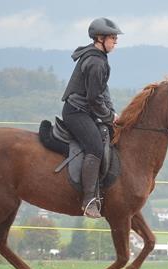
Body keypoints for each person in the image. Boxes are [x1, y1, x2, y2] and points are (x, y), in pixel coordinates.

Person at [61, 17, 122, 218]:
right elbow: (94, 98)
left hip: (87, 111)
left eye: (115, 38)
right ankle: (88, 201)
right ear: (99, 38)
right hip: (77, 112)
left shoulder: (99, 57)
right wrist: (108, 115)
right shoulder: (95, 61)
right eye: (113, 38)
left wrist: (112, 113)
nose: (116, 42)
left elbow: (103, 92)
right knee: (95, 147)